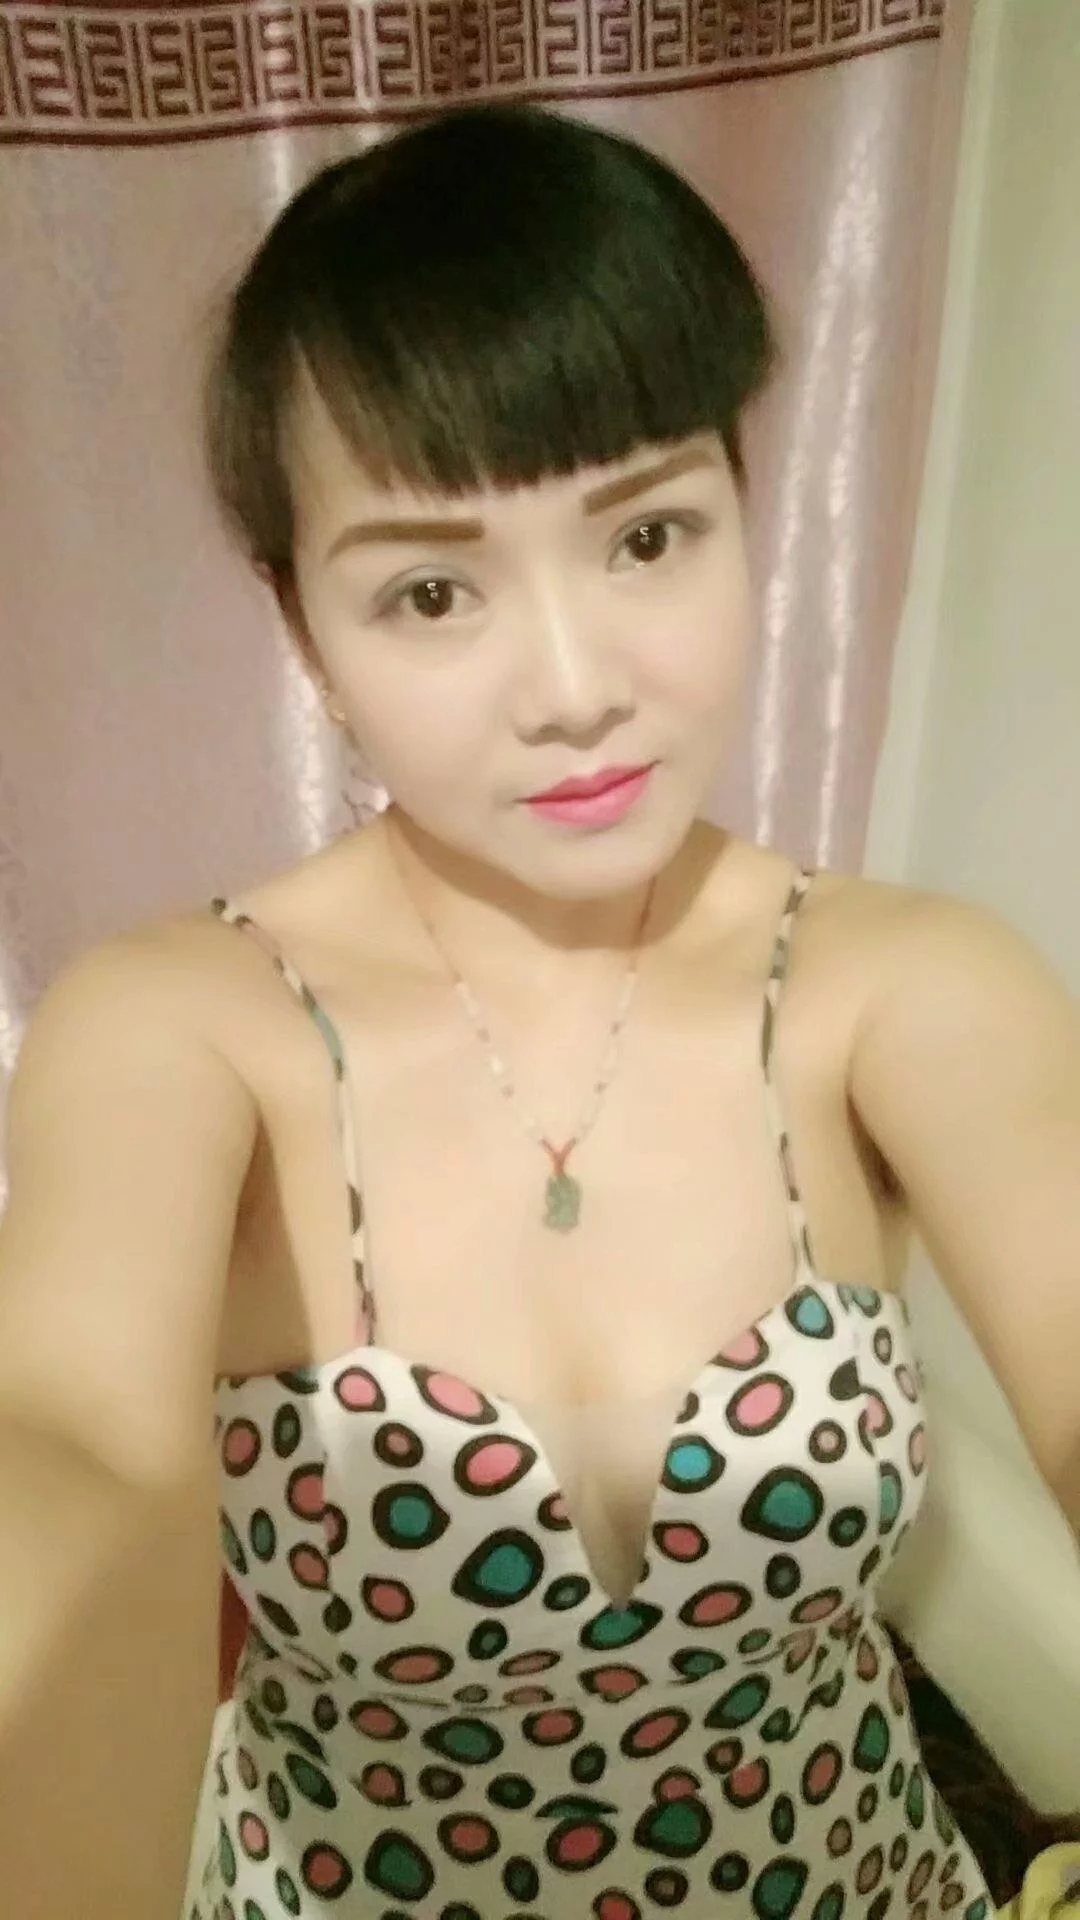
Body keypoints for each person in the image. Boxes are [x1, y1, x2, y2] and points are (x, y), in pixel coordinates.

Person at [0, 101, 1077, 1920]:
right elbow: (75, 1463)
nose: (574, 688)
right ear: (304, 633)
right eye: (432, 590)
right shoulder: (181, 1033)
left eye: (647, 537)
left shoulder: (901, 989)